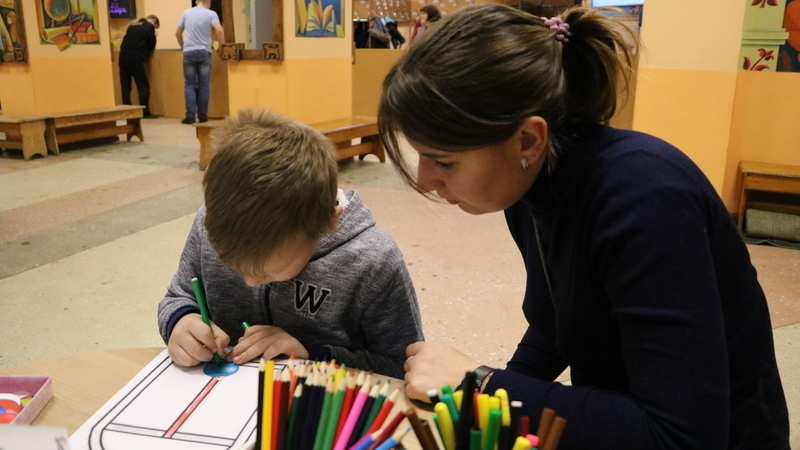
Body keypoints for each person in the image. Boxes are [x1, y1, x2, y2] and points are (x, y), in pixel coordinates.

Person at [378, 4, 790, 449]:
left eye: (443, 161)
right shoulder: (531, 184)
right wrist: (489, 404)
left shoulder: (644, 197)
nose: (425, 180)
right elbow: (562, 319)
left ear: (528, 140)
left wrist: (481, 385)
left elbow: (680, 435)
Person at [158, 109, 423, 378]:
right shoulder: (209, 223)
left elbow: (401, 365)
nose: (249, 281)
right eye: (234, 266)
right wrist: (180, 320)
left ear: (328, 223)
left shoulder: (373, 261)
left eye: (271, 269)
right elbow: (179, 295)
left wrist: (312, 355)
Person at [175, 0, 224, 124]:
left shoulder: (186, 13)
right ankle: (203, 116)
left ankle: (190, 116)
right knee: (203, 86)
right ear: (208, 1)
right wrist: (222, 46)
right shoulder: (211, 14)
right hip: (204, 52)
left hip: (189, 52)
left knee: (190, 85)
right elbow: (219, 30)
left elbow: (177, 33)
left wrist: (183, 46)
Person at [119, 15, 160, 119]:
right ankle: (145, 112)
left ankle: (126, 110)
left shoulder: (132, 25)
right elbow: (152, 44)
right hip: (135, 57)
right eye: (155, 26)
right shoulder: (149, 26)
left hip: (122, 56)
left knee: (126, 85)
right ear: (153, 21)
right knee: (143, 85)